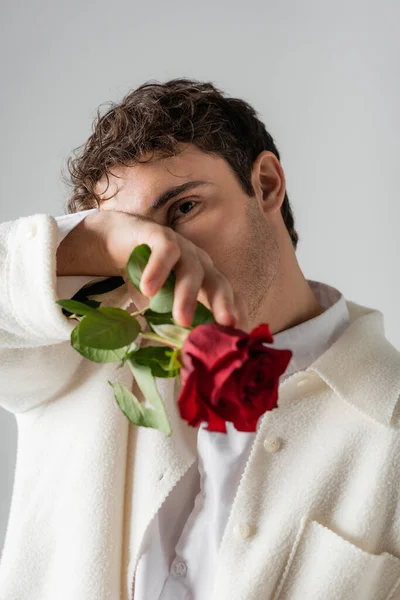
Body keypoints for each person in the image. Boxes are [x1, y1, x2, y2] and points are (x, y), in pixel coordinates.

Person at [0, 78, 399, 600]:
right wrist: (102, 243)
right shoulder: (80, 352)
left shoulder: (388, 427)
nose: (163, 263)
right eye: (134, 239)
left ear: (266, 184)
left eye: (183, 209)